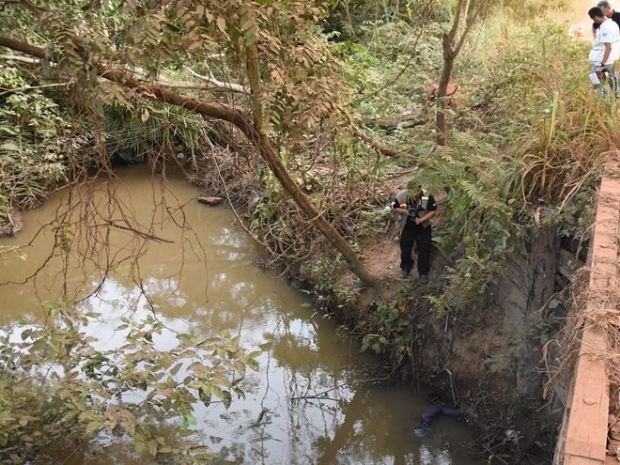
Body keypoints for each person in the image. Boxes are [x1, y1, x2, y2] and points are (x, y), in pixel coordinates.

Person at [390, 181, 437, 283]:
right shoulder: (402, 195)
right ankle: (405, 268)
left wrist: (421, 219)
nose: (411, 194)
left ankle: (423, 273)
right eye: (409, 191)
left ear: (419, 190)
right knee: (405, 249)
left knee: (424, 250)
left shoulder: (427, 196)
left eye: (414, 192)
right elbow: (394, 207)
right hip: (407, 226)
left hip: (423, 227)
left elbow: (433, 211)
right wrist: (405, 211)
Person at [588, 6, 620, 96]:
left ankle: (602, 102)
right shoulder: (613, 24)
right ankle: (615, 97)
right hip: (610, 60)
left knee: (598, 85)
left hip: (601, 61)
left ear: (595, 17)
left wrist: (602, 65)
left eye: (593, 19)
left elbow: (608, 47)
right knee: (610, 79)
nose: (594, 22)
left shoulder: (606, 27)